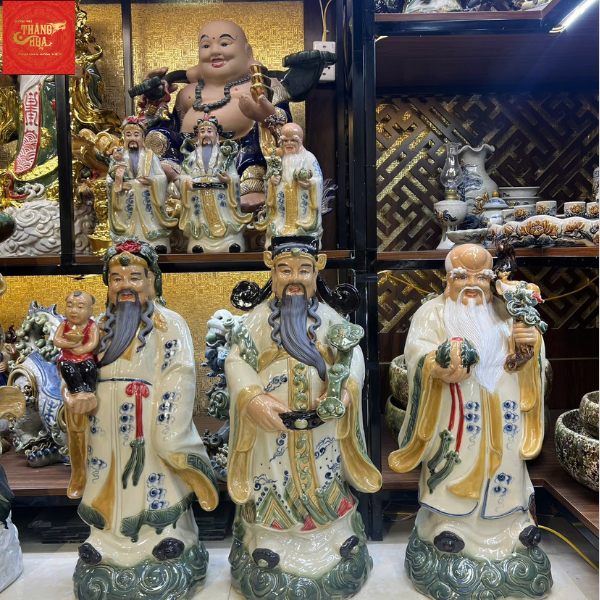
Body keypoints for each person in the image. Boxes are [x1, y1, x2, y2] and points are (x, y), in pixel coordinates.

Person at [389, 243, 552, 600]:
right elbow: (415, 355)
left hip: (504, 416)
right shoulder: (432, 313)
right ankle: (446, 528)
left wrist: (531, 346)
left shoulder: (508, 312)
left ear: (493, 280)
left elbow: (530, 365)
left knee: (506, 471)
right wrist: (437, 365)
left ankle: (513, 530)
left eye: (482, 277)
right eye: (463, 276)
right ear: (447, 278)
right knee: (453, 469)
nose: (472, 285)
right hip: (454, 417)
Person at [225, 236, 381, 599]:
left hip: (321, 428)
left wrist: (345, 390)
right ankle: (269, 542)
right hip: (270, 431)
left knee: (325, 478)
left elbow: (353, 357)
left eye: (304, 270)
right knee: (272, 481)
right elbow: (236, 360)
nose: (294, 278)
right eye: (285, 270)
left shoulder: (330, 319)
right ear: (272, 271)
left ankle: (335, 539)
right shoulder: (256, 321)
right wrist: (253, 397)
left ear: (317, 272)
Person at [70, 239, 219, 600]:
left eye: (135, 277)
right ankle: (104, 541)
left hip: (149, 420)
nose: (125, 286)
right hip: (103, 423)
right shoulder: (96, 327)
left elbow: (180, 373)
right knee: (105, 477)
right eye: (116, 278)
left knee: (154, 477)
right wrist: (75, 396)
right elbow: (75, 366)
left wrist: (167, 423)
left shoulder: (169, 323)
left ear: (152, 281)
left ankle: (165, 537)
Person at [178, 117, 251, 253]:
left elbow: (234, 177)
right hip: (198, 195)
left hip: (219, 195)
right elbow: (183, 175)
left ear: (216, 136)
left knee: (225, 221)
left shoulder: (224, 156)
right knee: (199, 222)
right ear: (198, 136)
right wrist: (186, 181)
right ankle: (198, 242)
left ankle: (230, 241)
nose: (206, 134)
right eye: (202, 131)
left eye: (209, 131)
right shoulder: (191, 157)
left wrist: (229, 180)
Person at [106, 118, 178, 252]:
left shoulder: (150, 156)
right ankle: (126, 242)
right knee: (126, 227)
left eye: (136, 135)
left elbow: (161, 177)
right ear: (123, 138)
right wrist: (119, 183)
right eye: (128, 135)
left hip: (147, 201)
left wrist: (152, 181)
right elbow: (109, 180)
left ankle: (154, 242)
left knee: (151, 222)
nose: (132, 138)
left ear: (143, 138)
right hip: (126, 200)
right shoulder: (118, 157)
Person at [256, 123, 323, 247]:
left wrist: (310, 184)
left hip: (302, 208)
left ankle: (304, 239)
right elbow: (267, 178)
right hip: (281, 210)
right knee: (276, 227)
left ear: (300, 141)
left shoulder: (309, 158)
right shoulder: (277, 159)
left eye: (293, 140)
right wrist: (272, 181)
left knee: (304, 230)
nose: (289, 144)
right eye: (285, 141)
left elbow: (318, 178)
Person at [54, 291, 99, 406]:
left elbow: (93, 342)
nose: (73, 310)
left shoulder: (92, 326)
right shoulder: (64, 324)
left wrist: (81, 350)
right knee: (68, 368)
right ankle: (77, 392)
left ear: (90, 311)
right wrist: (69, 344)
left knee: (89, 367)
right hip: (67, 357)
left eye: (80, 307)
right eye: (69, 306)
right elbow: (57, 340)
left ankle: (89, 390)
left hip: (85, 356)